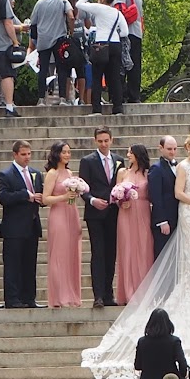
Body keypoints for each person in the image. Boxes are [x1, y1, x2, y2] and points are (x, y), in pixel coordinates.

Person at [81, 132, 190, 379]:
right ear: (187, 147)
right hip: (189, 213)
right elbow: (178, 193)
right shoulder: (182, 166)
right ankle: (189, 292)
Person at [0, 140, 45, 308]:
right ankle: (12, 299)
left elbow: (40, 194)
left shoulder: (35, 173)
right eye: (23, 154)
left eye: (29, 154)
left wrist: (42, 199)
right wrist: (25, 195)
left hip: (32, 225)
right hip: (14, 227)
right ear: (15, 155)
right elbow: (4, 197)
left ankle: (29, 298)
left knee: (29, 263)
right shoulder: (6, 174)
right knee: (13, 264)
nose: (27, 158)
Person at [79, 127, 121, 308]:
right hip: (95, 213)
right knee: (98, 252)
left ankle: (108, 293)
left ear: (111, 140)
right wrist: (92, 200)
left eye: (106, 140)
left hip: (113, 212)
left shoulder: (118, 160)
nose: (104, 144)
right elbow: (82, 187)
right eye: (100, 141)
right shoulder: (87, 161)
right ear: (95, 141)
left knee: (111, 253)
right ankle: (98, 295)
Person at [44, 141, 83, 308]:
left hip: (71, 212)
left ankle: (71, 295)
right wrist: (63, 197)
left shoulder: (69, 172)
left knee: (71, 254)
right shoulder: (52, 173)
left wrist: (75, 194)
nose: (67, 155)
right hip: (58, 214)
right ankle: (58, 296)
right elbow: (46, 199)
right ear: (57, 154)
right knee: (59, 254)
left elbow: (71, 197)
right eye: (64, 152)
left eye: (69, 152)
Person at [115, 143, 154, 305]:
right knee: (127, 249)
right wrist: (120, 201)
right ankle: (127, 292)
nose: (128, 155)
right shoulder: (123, 172)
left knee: (144, 249)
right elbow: (116, 193)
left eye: (130, 152)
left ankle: (144, 291)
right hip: (126, 213)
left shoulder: (148, 173)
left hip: (143, 212)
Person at [82, 0, 130, 115]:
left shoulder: (99, 8)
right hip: (115, 45)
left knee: (97, 77)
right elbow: (125, 32)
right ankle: (118, 107)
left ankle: (97, 108)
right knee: (114, 77)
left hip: (101, 44)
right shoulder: (118, 13)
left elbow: (79, 4)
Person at [28, 0, 75, 106]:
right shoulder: (63, 2)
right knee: (62, 69)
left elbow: (33, 23)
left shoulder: (40, 3)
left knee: (43, 69)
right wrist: (71, 32)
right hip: (59, 39)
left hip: (43, 39)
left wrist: (35, 41)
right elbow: (71, 17)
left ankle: (41, 99)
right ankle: (62, 98)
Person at [134, 309, 190, 379]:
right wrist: (181, 376)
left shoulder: (142, 341)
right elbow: (182, 362)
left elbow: (138, 365)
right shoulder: (174, 341)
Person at [113, 0, 145, 104]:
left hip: (126, 32)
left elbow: (119, 9)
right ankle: (134, 95)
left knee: (122, 64)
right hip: (137, 31)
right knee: (135, 64)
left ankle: (120, 96)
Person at [149, 136, 180, 259]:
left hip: (178, 217)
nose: (172, 152)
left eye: (174, 149)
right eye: (169, 149)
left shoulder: (179, 166)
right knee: (163, 256)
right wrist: (162, 221)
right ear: (160, 148)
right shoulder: (156, 169)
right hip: (164, 220)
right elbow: (155, 197)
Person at [62, 0, 88, 106]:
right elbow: (88, 25)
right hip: (81, 42)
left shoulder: (64, 6)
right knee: (81, 71)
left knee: (67, 70)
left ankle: (67, 98)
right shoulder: (82, 8)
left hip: (67, 41)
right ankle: (81, 99)